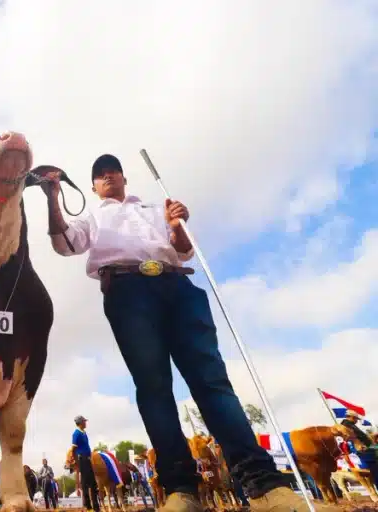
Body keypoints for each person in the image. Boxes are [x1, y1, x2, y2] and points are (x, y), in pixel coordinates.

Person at [42, 155, 339, 512]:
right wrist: (52, 196)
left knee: (212, 380)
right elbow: (65, 244)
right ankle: (180, 490)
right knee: (153, 388)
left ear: (123, 177)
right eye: (99, 174)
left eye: (112, 170)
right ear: (92, 187)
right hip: (126, 291)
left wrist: (177, 225)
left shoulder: (157, 208)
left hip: (177, 285)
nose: (107, 175)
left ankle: (266, 487)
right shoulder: (92, 218)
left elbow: (183, 251)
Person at [71, 415, 100, 512]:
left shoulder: (84, 432)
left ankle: (95, 507)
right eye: (84, 421)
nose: (86, 423)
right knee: (86, 483)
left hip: (88, 459)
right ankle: (89, 507)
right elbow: (73, 449)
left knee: (92, 484)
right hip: (82, 459)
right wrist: (77, 462)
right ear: (80, 422)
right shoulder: (76, 433)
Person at [341, 410, 378, 484]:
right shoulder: (346, 425)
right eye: (355, 419)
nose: (356, 421)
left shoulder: (350, 425)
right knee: (375, 471)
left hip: (367, 449)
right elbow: (350, 438)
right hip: (365, 451)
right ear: (351, 417)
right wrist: (357, 444)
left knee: (375, 471)